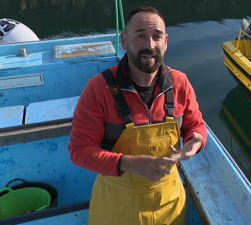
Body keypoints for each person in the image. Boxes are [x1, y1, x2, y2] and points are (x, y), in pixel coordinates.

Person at [68, 6, 207, 225]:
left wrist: (195, 142)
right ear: (124, 40)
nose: (150, 45)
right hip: (116, 207)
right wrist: (129, 163)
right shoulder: (98, 88)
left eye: (157, 37)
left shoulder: (180, 83)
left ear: (166, 41)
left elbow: (196, 126)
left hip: (170, 205)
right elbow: (79, 151)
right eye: (140, 35)